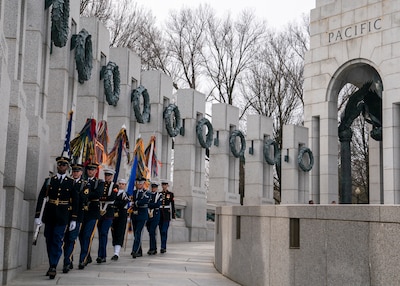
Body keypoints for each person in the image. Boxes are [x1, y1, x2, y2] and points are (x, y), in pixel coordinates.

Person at [34, 156, 78, 279]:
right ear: (57, 166)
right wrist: (38, 216)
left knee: (57, 240)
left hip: (63, 216)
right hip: (49, 214)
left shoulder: (71, 182)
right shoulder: (49, 181)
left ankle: (53, 265)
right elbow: (41, 198)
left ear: (67, 167)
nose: (62, 167)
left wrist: (73, 218)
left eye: (64, 165)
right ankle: (51, 263)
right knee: (49, 239)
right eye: (60, 165)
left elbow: (75, 201)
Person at [78, 162, 104, 269]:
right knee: (80, 235)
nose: (90, 171)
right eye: (89, 169)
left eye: (93, 170)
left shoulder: (99, 182)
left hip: (93, 212)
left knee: (87, 235)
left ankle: (82, 259)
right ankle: (87, 255)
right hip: (82, 211)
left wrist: (85, 195)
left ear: (96, 171)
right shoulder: (82, 181)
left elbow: (98, 194)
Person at [62, 163, 87, 273]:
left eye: (78, 171)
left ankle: (67, 261)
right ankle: (69, 259)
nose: (75, 173)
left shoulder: (84, 185)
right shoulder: (68, 183)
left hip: (77, 215)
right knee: (65, 239)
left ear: (81, 173)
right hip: (66, 214)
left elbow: (84, 198)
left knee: (72, 238)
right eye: (74, 171)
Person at [96, 168, 118, 263]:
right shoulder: (100, 184)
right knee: (100, 233)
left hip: (108, 212)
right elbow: (97, 195)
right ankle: (100, 254)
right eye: (106, 175)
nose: (107, 177)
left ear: (112, 176)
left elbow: (113, 197)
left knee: (104, 232)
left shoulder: (115, 186)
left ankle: (103, 255)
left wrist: (102, 198)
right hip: (99, 211)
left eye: (109, 176)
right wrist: (102, 198)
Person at [130, 177, 151, 258]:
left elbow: (144, 201)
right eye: (138, 183)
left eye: (141, 183)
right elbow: (130, 200)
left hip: (142, 215)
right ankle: (139, 251)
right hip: (134, 215)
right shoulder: (134, 192)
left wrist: (135, 202)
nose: (139, 184)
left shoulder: (147, 193)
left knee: (138, 232)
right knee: (136, 233)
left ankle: (134, 250)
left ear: (143, 184)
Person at [111, 178, 130, 260]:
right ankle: (115, 250)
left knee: (120, 232)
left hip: (122, 215)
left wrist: (115, 202)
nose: (121, 185)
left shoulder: (126, 195)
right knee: (113, 232)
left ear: (125, 186)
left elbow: (122, 204)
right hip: (113, 214)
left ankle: (116, 253)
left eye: (123, 184)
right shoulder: (114, 192)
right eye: (120, 184)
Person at [158, 180, 176, 254]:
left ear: (167, 186)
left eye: (165, 185)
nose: (164, 186)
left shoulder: (170, 194)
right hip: (160, 213)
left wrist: (173, 214)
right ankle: (162, 246)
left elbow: (173, 205)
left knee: (164, 231)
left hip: (166, 214)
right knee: (160, 230)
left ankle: (163, 246)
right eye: (163, 185)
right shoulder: (159, 194)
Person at [146, 182, 162, 255]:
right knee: (150, 231)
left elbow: (158, 204)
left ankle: (152, 248)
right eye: (152, 187)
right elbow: (146, 203)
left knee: (152, 231)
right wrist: (152, 205)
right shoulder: (148, 194)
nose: (153, 188)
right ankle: (153, 248)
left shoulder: (159, 195)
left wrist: (151, 205)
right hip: (148, 214)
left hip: (155, 214)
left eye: (155, 187)